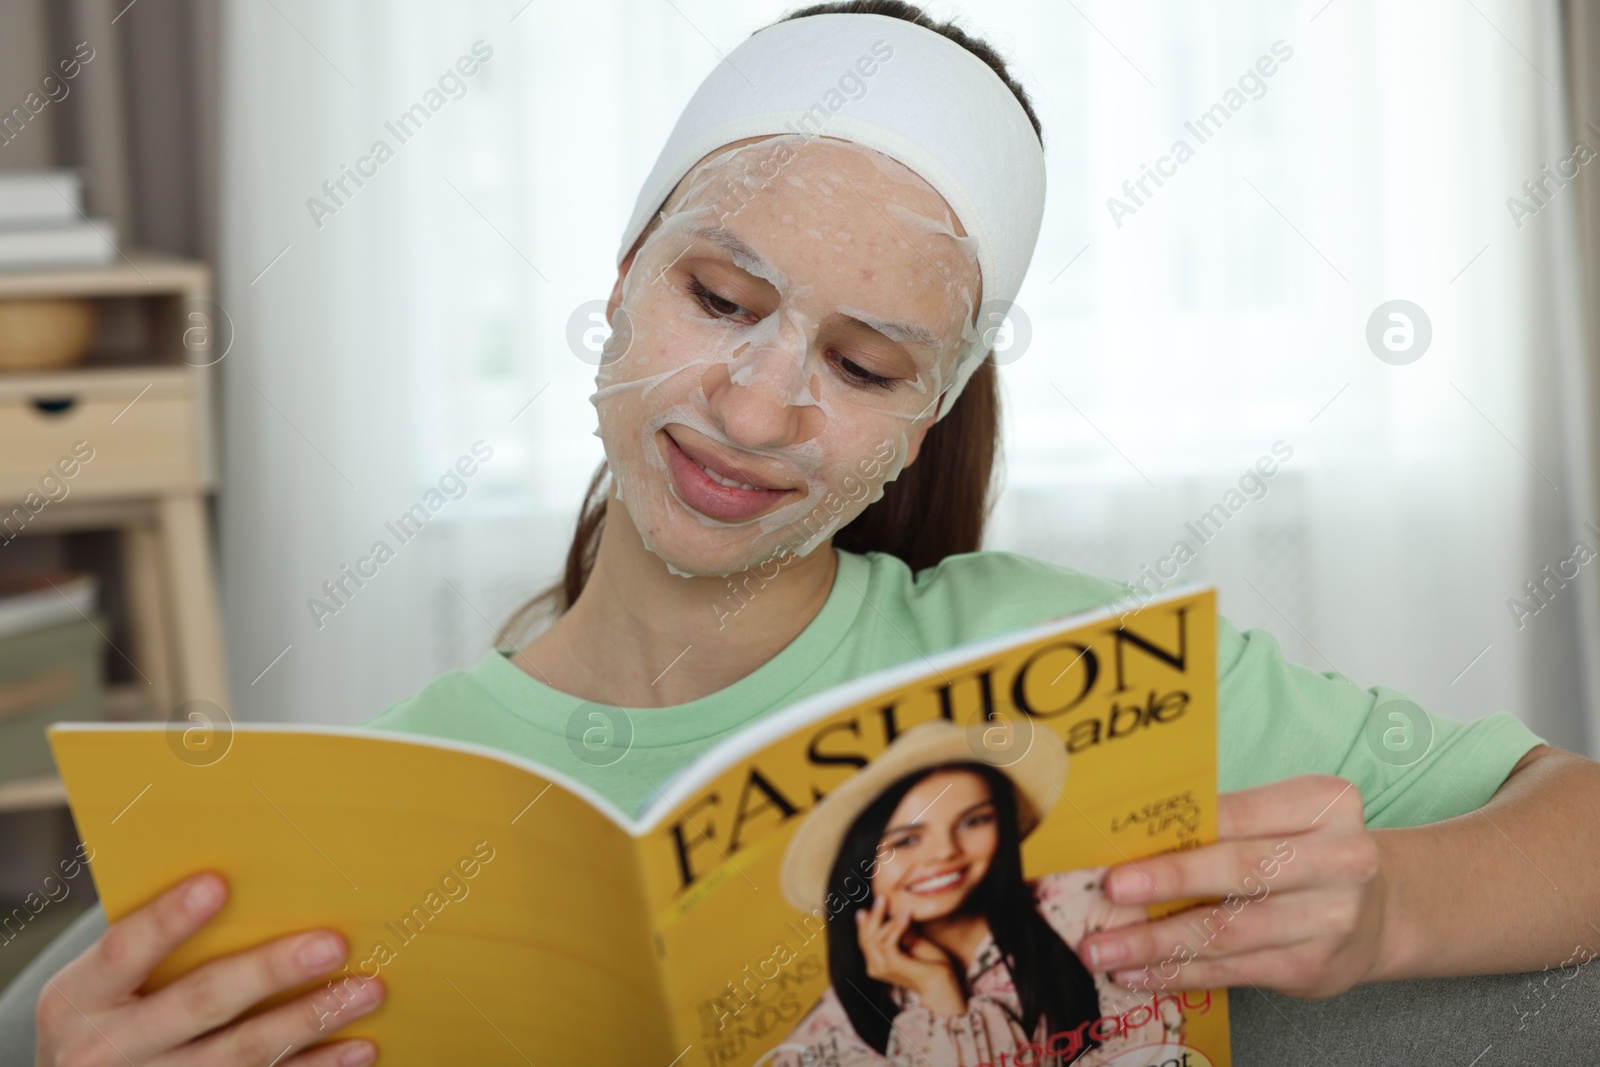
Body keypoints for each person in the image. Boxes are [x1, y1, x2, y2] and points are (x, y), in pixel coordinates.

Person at [11, 2, 1600, 1064]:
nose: (760, 407)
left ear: (929, 414)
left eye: (861, 364)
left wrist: (1393, 899)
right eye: (719, 297)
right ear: (622, 273)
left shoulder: (1085, 673)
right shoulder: (383, 798)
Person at [772, 721, 1184, 1066]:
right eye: (906, 841)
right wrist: (939, 993)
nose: (946, 852)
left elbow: (1150, 1052)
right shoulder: (824, 1040)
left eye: (973, 822)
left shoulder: (1088, 905)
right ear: (857, 865)